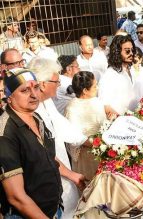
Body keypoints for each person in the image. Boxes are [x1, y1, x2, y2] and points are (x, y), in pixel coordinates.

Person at [28, 58, 88, 218]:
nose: (59, 85)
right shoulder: (30, 111)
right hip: (48, 178)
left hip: (62, 169)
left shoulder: (47, 102)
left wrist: (88, 140)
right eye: (56, 81)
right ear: (42, 84)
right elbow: (43, 152)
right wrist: (71, 175)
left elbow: (63, 126)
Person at [0, 68, 63, 218]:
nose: (34, 95)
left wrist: (74, 176)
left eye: (35, 87)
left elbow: (48, 156)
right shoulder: (5, 134)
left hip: (53, 209)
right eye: (24, 90)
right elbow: (16, 198)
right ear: (9, 97)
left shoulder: (36, 118)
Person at [65, 71, 106, 181]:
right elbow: (74, 137)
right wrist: (98, 145)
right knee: (90, 188)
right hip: (86, 155)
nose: (97, 88)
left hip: (103, 151)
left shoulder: (97, 101)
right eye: (94, 86)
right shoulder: (72, 108)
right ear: (85, 91)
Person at [98, 34, 136, 116]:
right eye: (127, 51)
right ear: (117, 52)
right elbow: (105, 106)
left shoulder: (132, 69)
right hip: (121, 122)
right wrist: (122, 120)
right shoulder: (109, 75)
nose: (131, 53)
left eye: (132, 50)